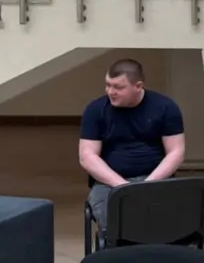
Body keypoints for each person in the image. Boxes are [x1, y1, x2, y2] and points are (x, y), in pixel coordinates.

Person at [79, 58, 186, 237]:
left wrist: (148, 184)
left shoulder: (165, 107)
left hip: (156, 179)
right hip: (109, 182)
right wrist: (122, 186)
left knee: (166, 222)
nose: (110, 91)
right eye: (108, 85)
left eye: (118, 87)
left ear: (138, 86)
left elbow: (176, 152)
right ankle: (119, 251)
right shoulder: (95, 110)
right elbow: (87, 156)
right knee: (115, 223)